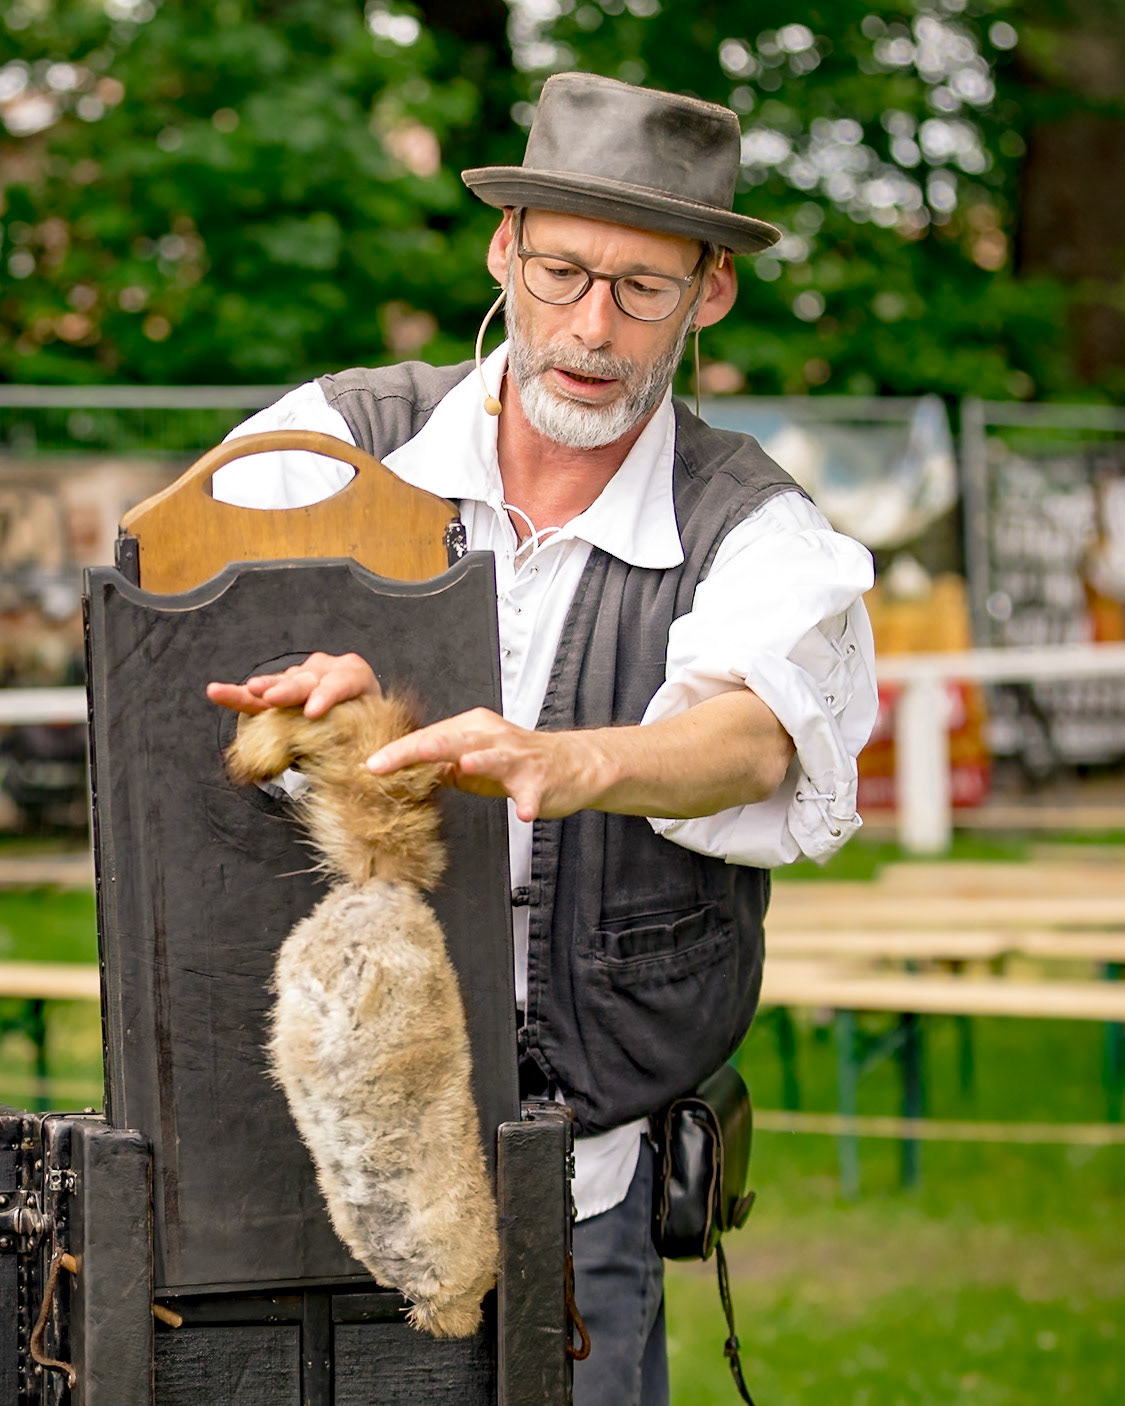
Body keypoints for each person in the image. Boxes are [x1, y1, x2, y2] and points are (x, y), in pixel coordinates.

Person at [207, 71, 877, 1406]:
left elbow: (753, 738)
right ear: (503, 252)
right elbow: (166, 606)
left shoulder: (751, 523)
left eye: (642, 288)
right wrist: (292, 684)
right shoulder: (336, 440)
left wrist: (569, 762)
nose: (590, 327)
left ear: (709, 294)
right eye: (562, 273)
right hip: (292, 1153)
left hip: (577, 1183)